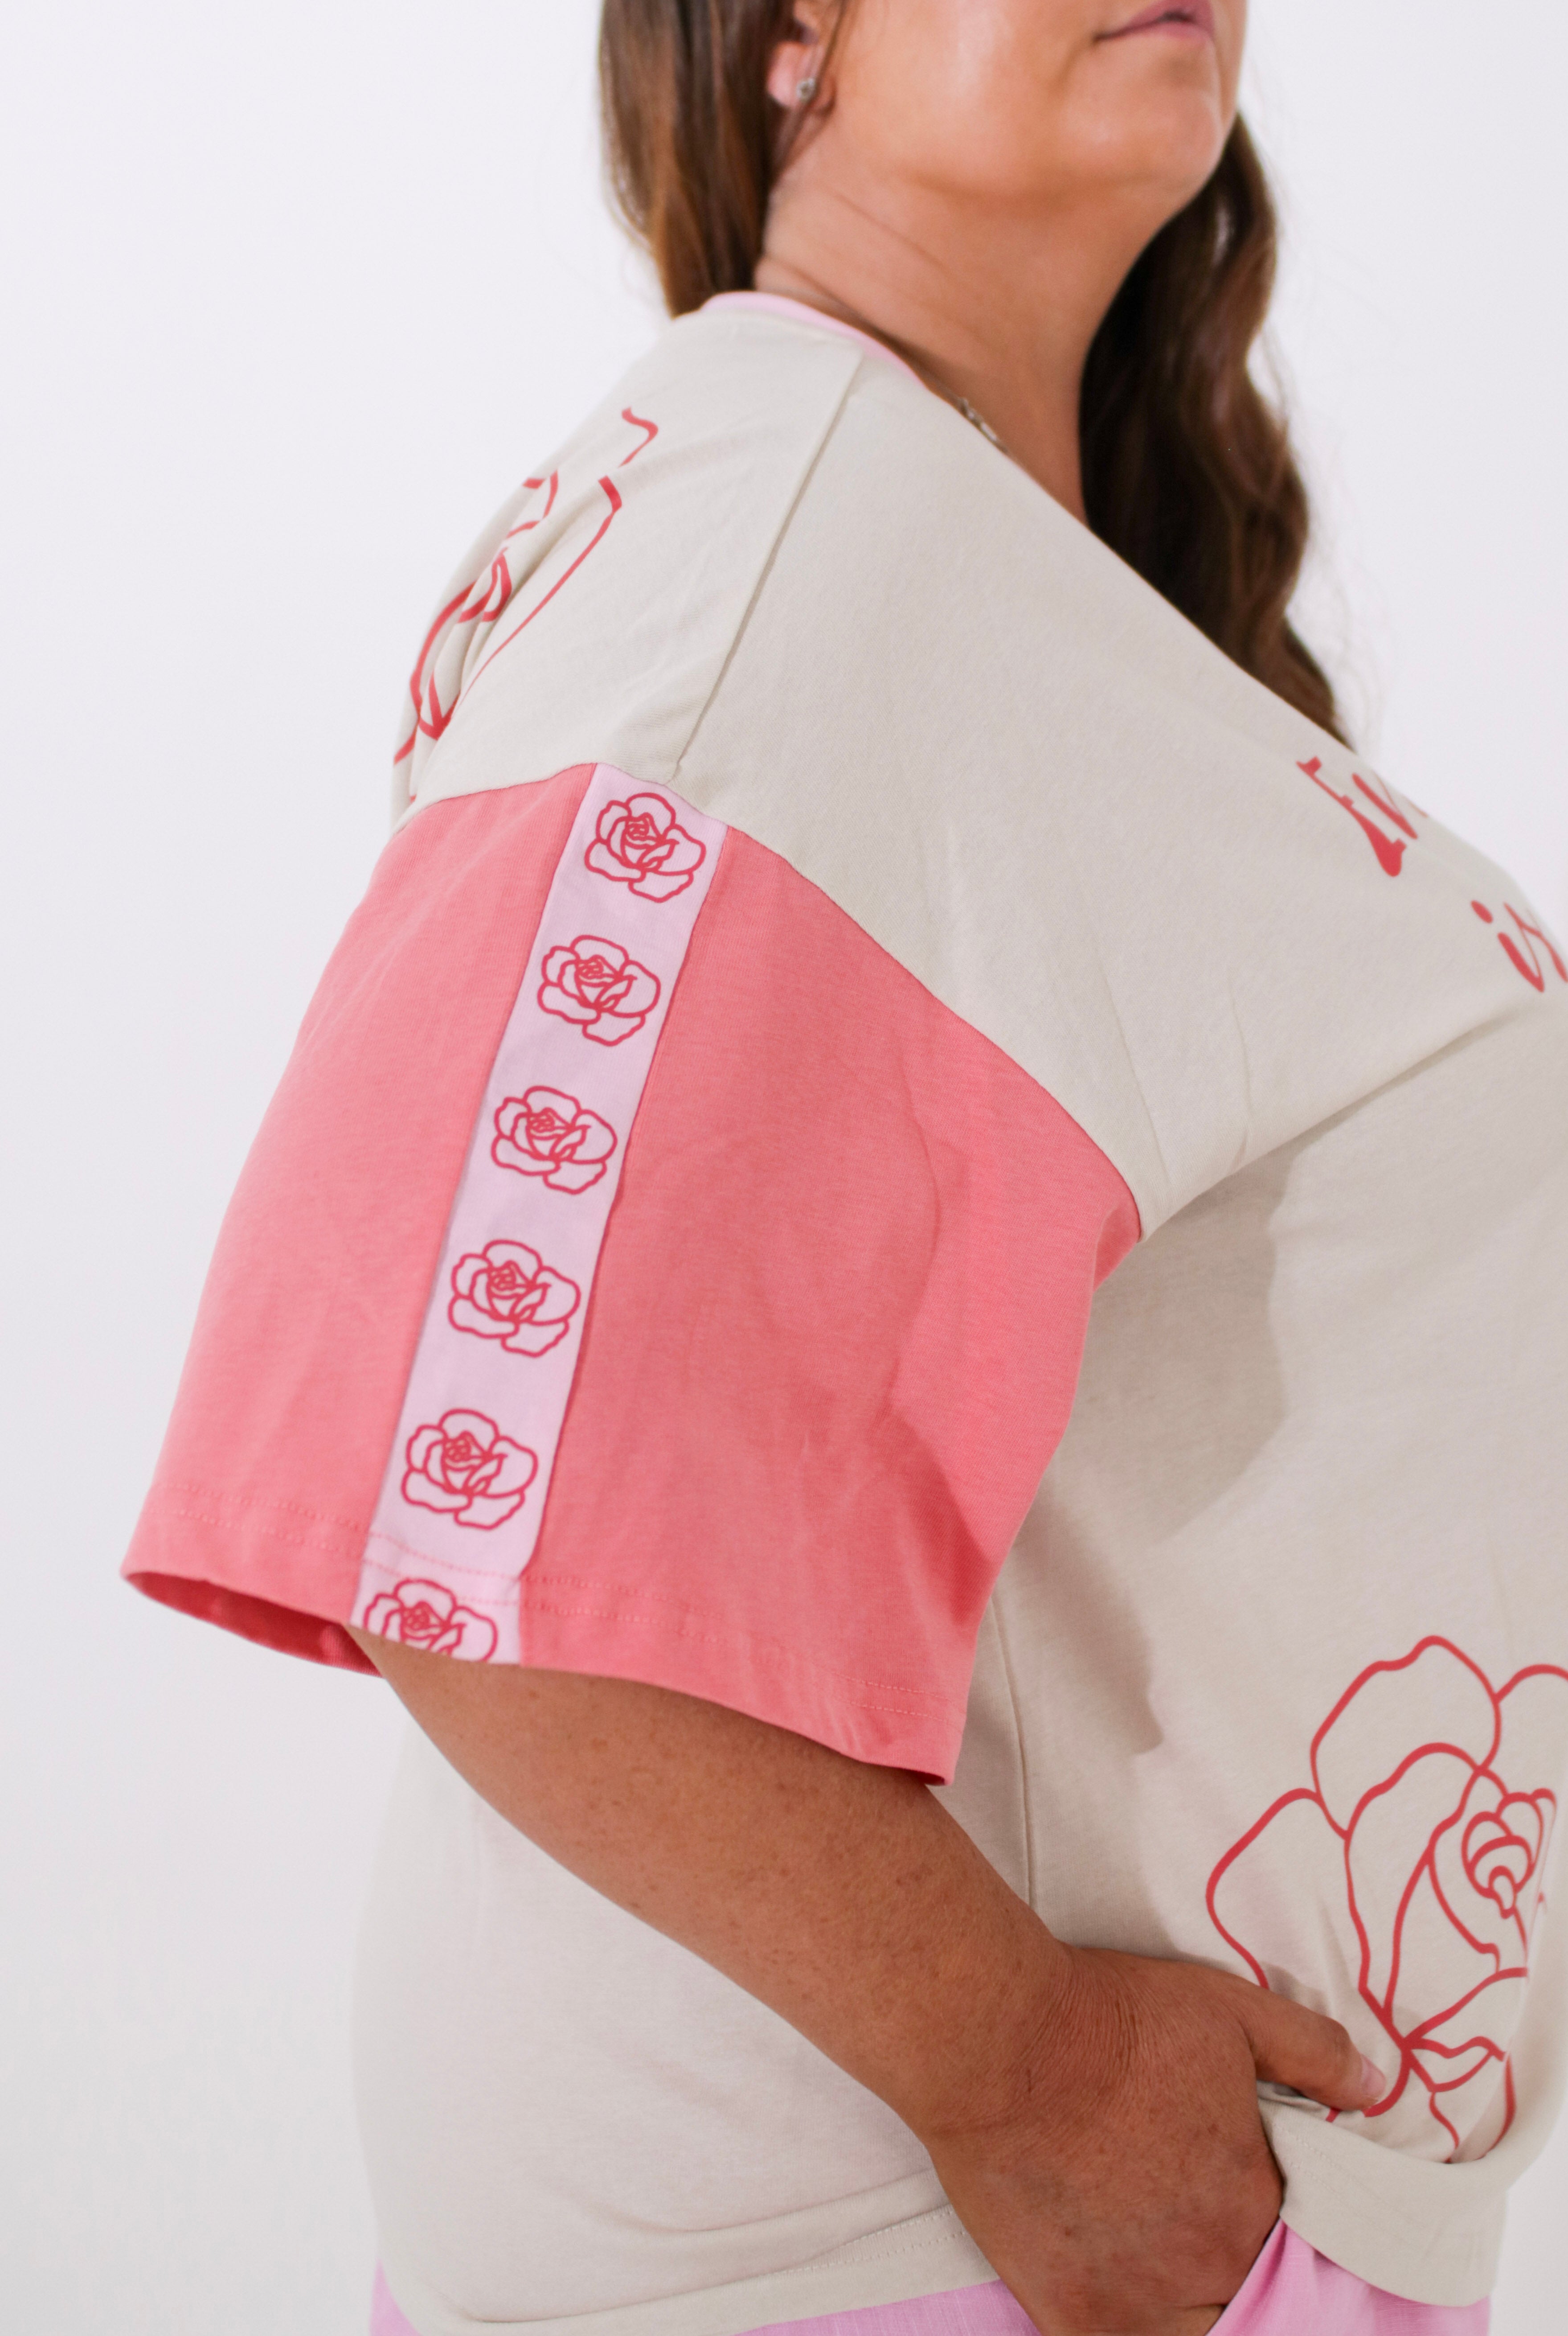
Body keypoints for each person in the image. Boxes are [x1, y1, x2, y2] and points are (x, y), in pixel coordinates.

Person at [122, 2, 1568, 2331]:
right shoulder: (792, 522)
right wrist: (1024, 2072)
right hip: (909, 2242)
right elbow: (442, 1459)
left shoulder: (951, 572)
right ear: (783, 31)